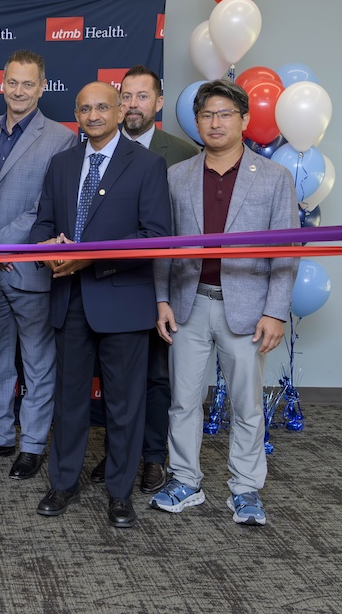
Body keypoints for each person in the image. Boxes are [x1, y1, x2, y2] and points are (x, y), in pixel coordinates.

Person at [150, 79, 298, 526]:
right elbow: (164, 248)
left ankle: (246, 488)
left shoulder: (274, 179)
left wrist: (275, 311)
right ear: (197, 123)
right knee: (183, 401)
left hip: (249, 310)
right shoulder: (176, 177)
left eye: (225, 114)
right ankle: (185, 480)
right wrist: (161, 299)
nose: (215, 123)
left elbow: (287, 252)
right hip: (188, 303)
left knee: (247, 404)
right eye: (207, 115)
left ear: (245, 120)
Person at [30, 81, 171, 528]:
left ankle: (119, 492)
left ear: (118, 110)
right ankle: (64, 482)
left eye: (102, 107)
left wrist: (88, 256)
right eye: (85, 108)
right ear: (77, 113)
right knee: (69, 400)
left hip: (122, 302)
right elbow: (42, 225)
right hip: (69, 300)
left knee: (124, 404)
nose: (93, 115)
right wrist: (48, 248)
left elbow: (156, 237)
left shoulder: (148, 164)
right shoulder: (61, 164)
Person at [89, 65, 200, 493]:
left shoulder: (183, 153)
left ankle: (152, 457)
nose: (133, 104)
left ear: (158, 103)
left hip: (164, 285)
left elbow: (183, 228)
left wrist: (167, 291)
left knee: (156, 377)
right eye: (127, 96)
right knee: (116, 380)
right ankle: (120, 454)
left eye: (142, 96)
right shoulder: (96, 151)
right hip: (115, 285)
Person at [0, 50, 75, 480]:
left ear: (42, 87)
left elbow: (45, 207)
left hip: (28, 267)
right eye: (12, 82)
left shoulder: (62, 138)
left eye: (28, 84)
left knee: (37, 362)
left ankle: (32, 445)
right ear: (1, 83)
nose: (19, 91)